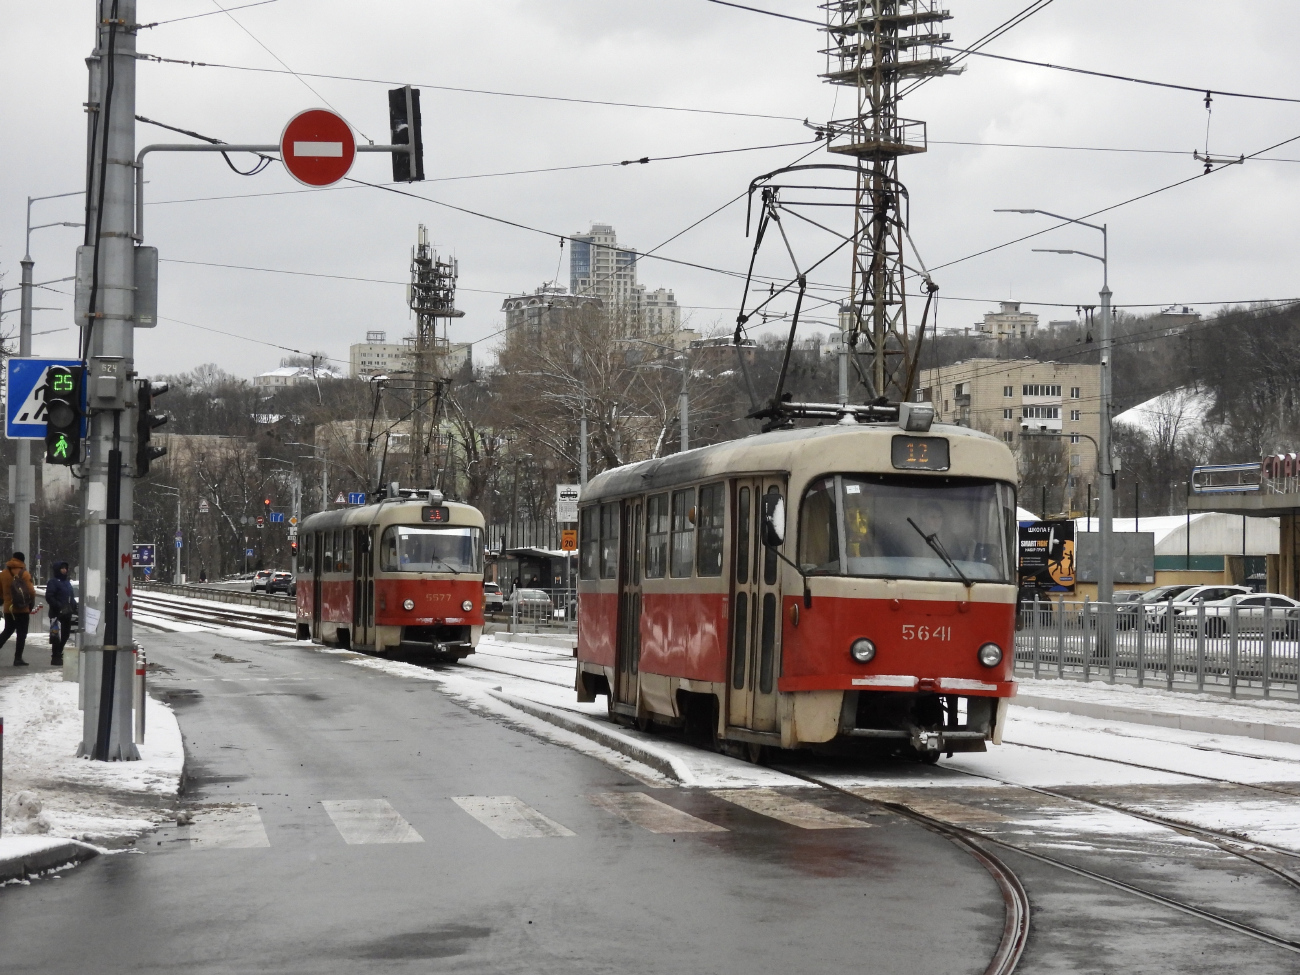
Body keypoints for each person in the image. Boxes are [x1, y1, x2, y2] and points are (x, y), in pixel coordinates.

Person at [0, 552, 37, 667]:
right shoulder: (24, 574)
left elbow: (0, 592)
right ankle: (18, 658)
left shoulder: (3, 574)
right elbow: (31, 591)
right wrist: (30, 602)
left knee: (7, 631)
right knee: (21, 633)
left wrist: (6, 600)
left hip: (8, 609)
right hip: (22, 608)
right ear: (22, 560)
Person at [45, 561, 76, 667]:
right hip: (56, 613)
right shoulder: (53, 582)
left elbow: (70, 596)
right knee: (56, 635)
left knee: (66, 634)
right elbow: (49, 596)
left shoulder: (67, 582)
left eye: (65, 568)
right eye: (62, 568)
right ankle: (55, 656)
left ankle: (59, 652)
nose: (64, 570)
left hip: (67, 612)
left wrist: (74, 606)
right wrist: (58, 605)